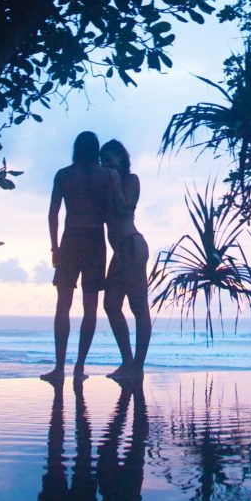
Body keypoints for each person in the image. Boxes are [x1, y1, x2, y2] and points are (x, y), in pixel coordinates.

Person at [41, 131, 119, 382]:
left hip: (71, 239)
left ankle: (59, 368)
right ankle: (79, 368)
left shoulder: (64, 175)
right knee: (90, 307)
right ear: (95, 150)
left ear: (76, 148)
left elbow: (53, 215)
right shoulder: (106, 176)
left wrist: (55, 248)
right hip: (96, 240)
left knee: (63, 305)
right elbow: (112, 212)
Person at [99, 139, 151, 381]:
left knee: (139, 307)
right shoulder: (107, 186)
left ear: (121, 158)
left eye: (109, 159)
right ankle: (127, 361)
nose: (106, 165)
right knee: (110, 305)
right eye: (103, 161)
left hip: (131, 245)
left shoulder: (131, 180)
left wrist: (114, 180)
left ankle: (137, 366)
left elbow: (124, 208)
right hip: (118, 251)